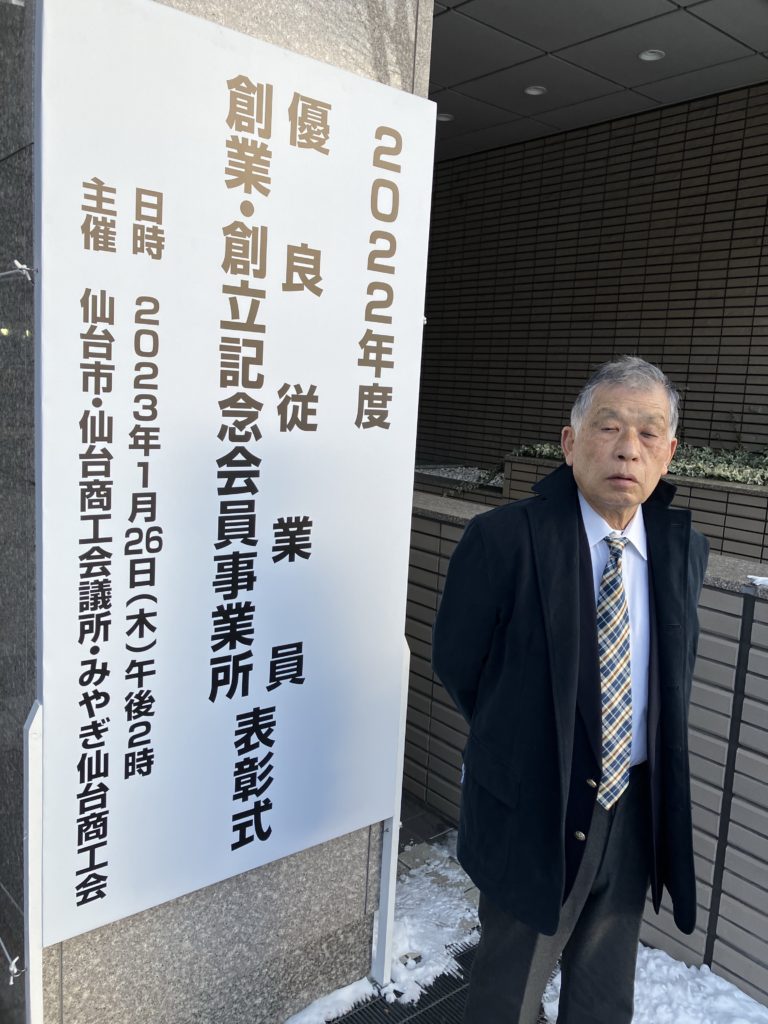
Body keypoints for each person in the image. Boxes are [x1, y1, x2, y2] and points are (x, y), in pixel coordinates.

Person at [432, 356, 708, 1024]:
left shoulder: (681, 549)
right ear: (569, 441)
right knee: (508, 991)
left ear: (669, 452)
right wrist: (528, 746)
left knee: (605, 993)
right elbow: (459, 664)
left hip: (634, 807)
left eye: (648, 433)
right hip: (535, 806)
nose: (628, 448)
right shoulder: (503, 539)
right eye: (609, 427)